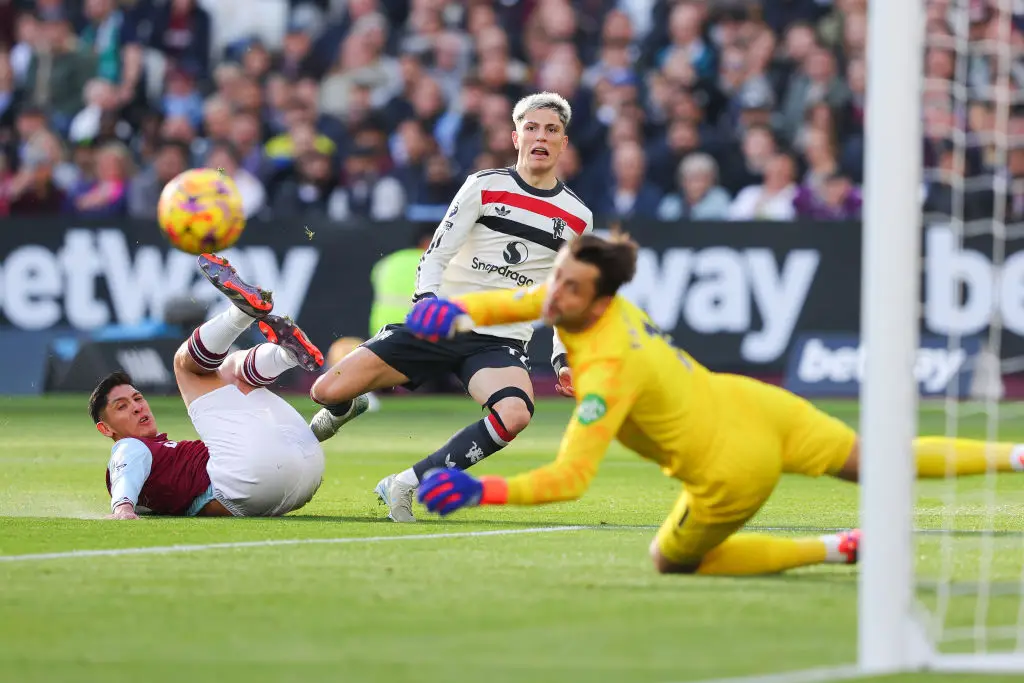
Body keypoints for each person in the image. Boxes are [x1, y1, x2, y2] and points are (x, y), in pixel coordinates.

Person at [404, 234, 1024, 575]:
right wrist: (458, 312)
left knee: (672, 561)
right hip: (756, 403)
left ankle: (839, 548)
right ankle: (1016, 455)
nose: (554, 291)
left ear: (596, 303)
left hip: (731, 467)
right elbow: (517, 302)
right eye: (558, 276)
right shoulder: (596, 302)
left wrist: (484, 492)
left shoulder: (609, 371)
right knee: (877, 460)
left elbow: (570, 479)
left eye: (568, 285)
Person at [307, 92, 594, 522]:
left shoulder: (577, 218)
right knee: (323, 392)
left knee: (514, 414)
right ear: (515, 137)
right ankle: (350, 404)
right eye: (532, 128)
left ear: (563, 144)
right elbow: (436, 255)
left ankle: (406, 483)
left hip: (499, 340)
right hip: (442, 323)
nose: (541, 136)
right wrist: (425, 301)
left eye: (551, 130)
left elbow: (566, 296)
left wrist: (562, 357)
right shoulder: (484, 185)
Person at [92, 254, 328, 519]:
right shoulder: (130, 448)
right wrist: (122, 507)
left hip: (299, 476)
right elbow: (125, 465)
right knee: (186, 365)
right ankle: (245, 317)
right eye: (122, 406)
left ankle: (293, 365)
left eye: (137, 398)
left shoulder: (161, 462)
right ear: (105, 428)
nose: (136, 407)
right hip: (247, 481)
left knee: (228, 372)